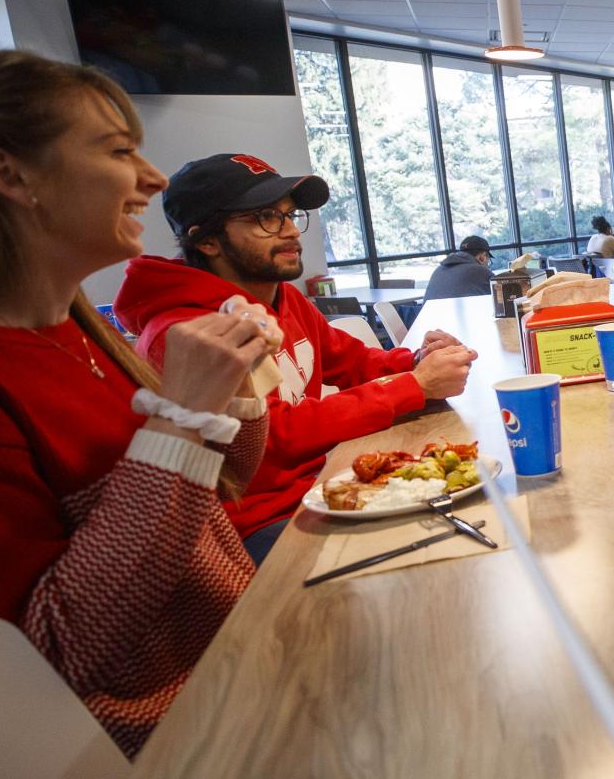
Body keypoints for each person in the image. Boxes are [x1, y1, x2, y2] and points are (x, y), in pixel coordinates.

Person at [0, 50, 279, 757]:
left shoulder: (77, 329)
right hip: (161, 751)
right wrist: (177, 419)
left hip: (241, 671)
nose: (152, 179)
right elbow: (57, 657)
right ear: (9, 175)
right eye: (121, 151)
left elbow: (224, 487)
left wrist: (229, 386)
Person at [116, 155, 477, 563]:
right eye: (265, 218)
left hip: (324, 483)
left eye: (290, 215)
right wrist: (414, 385)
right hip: (257, 525)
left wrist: (415, 361)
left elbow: (351, 359)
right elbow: (274, 439)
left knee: (466, 514)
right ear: (207, 241)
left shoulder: (281, 295)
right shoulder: (186, 333)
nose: (290, 231)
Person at [422, 234, 493, 301]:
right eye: (488, 261)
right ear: (483, 257)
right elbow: (501, 297)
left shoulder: (439, 269)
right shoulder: (480, 271)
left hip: (427, 313)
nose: (487, 265)